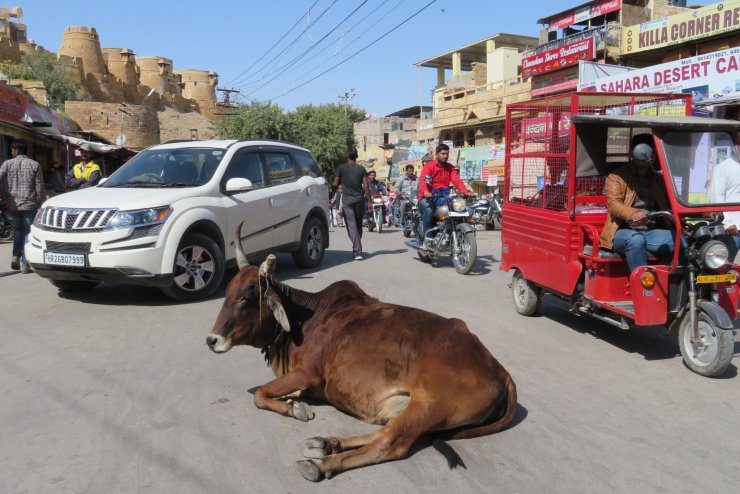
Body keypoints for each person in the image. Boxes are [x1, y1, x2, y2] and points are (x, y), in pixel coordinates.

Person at [599, 134, 684, 273]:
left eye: (655, 152)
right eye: (649, 151)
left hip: (650, 231)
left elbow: (674, 203)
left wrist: (703, 212)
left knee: (683, 240)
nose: (652, 156)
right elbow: (613, 204)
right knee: (636, 240)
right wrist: (633, 213)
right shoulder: (617, 177)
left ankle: (679, 281)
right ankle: (643, 282)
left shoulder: (658, 179)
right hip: (623, 231)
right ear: (639, 151)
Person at [0, 140, 45, 273]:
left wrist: (4, 194)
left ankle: (15, 256)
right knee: (27, 232)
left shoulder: (7, 164)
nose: (11, 152)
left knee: (18, 231)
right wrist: (41, 203)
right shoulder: (34, 164)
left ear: (16, 150)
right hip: (30, 204)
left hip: (13, 204)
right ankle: (25, 263)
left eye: (12, 149)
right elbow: (39, 187)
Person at [417, 143, 470, 241]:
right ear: (436, 154)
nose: (445, 156)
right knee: (429, 210)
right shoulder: (429, 166)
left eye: (447, 154)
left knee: (459, 207)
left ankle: (458, 233)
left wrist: (465, 191)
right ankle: (428, 238)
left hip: (444, 195)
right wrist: (426, 191)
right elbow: (423, 180)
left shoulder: (450, 167)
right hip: (428, 196)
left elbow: (457, 180)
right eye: (443, 154)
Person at [333, 148, 371, 260]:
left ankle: (357, 251)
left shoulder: (341, 168)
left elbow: (335, 183)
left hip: (347, 201)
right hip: (359, 200)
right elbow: (366, 186)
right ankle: (357, 249)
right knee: (358, 226)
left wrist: (338, 184)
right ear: (356, 156)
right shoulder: (362, 169)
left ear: (347, 156)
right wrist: (369, 201)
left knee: (351, 225)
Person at [707, 153, 740, 262]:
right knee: (723, 264)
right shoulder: (723, 168)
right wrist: (727, 223)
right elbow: (716, 198)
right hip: (732, 231)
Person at [394, 164, 419, 228]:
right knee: (403, 204)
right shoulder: (401, 178)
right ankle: (402, 220)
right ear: (406, 171)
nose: (411, 172)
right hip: (404, 198)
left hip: (414, 198)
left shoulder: (417, 179)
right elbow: (396, 188)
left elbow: (420, 187)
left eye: (412, 171)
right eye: (410, 171)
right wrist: (399, 192)